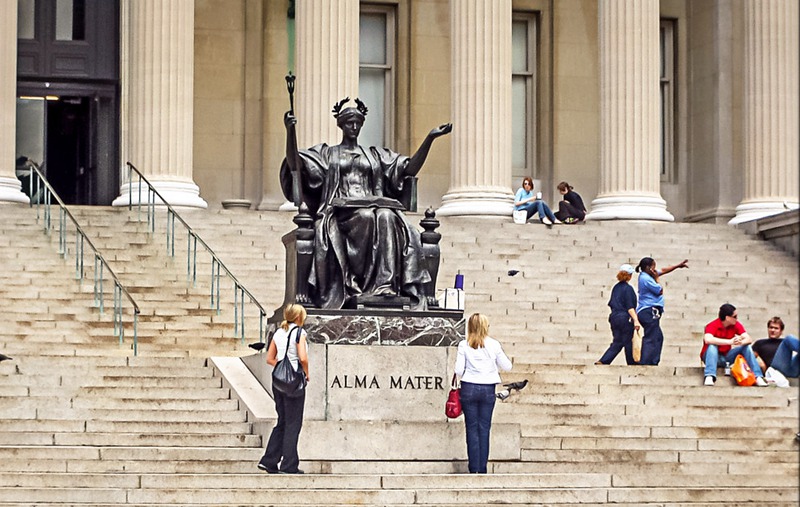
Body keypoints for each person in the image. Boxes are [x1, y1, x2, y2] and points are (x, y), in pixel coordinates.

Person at [280, 98, 452, 309]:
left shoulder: (374, 155)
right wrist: (290, 132)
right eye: (349, 123)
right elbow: (295, 164)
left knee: (387, 216)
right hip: (340, 213)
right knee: (367, 216)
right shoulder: (328, 153)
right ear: (340, 125)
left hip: (374, 208)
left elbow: (408, 169)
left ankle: (384, 287)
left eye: (357, 123)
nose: (354, 127)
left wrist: (430, 139)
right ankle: (358, 286)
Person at [454, 313, 512, 474]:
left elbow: (458, 370)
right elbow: (507, 366)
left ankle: (473, 468)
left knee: (471, 428)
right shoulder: (493, 344)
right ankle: (482, 468)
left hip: (469, 387)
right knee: (484, 428)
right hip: (488, 389)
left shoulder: (463, 345)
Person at [258, 303, 310, 474]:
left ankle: (269, 460)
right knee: (293, 423)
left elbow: (270, 358)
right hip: (294, 383)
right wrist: (306, 373)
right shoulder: (299, 333)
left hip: (278, 382)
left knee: (282, 421)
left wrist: (282, 368)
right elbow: (302, 357)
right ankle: (289, 465)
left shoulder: (279, 332)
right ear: (298, 317)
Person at [635, 257, 688, 365]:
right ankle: (645, 361)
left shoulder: (648, 275)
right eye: (654, 266)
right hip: (648, 310)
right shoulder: (646, 278)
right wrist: (657, 279)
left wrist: (677, 266)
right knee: (651, 336)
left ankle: (654, 361)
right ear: (648, 267)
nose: (656, 269)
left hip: (651, 310)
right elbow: (660, 290)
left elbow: (663, 270)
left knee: (658, 336)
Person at [701, 303, 768, 386]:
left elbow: (748, 339)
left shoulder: (735, 324)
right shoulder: (712, 325)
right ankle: (709, 375)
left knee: (746, 347)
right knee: (712, 346)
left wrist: (740, 342)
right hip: (712, 357)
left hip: (726, 356)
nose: (737, 319)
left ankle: (758, 377)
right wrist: (729, 342)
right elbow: (708, 339)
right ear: (727, 317)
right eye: (735, 316)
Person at [596, 264, 641, 365]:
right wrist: (636, 320)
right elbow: (630, 307)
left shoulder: (616, 287)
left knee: (618, 341)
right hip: (624, 318)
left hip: (614, 317)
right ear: (629, 275)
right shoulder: (628, 289)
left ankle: (604, 360)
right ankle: (632, 363)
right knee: (628, 341)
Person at [753, 317, 799, 387]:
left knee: (789, 340)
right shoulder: (760, 343)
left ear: (781, 331)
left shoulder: (784, 343)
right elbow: (750, 358)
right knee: (789, 338)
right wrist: (758, 362)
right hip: (776, 369)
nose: (773, 330)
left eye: (776, 328)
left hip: (792, 370)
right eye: (771, 327)